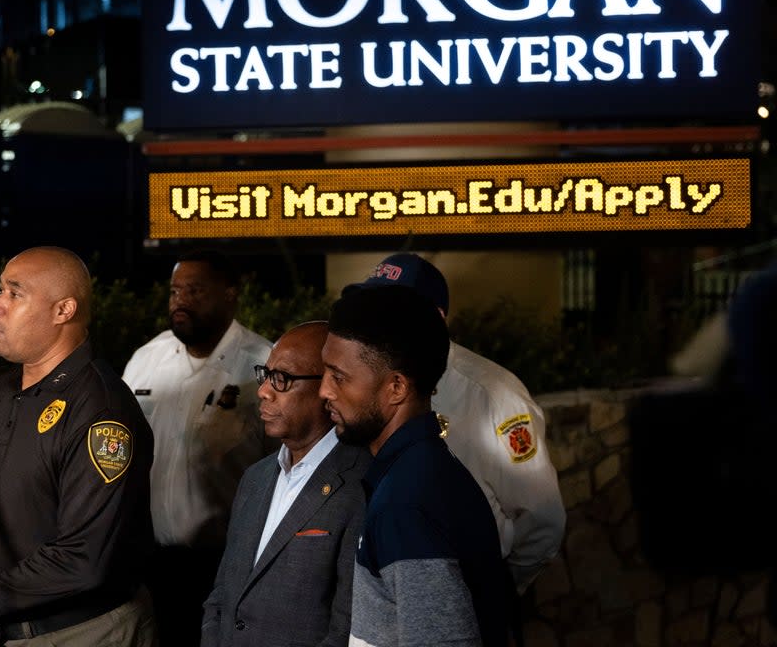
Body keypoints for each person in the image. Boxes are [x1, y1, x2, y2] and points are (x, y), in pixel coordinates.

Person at [0, 245, 157, 646]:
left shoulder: (102, 410)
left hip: (80, 632)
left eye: (14, 293)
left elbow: (83, 558)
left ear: (64, 311)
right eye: (0, 290)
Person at [345, 252, 565, 595]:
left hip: (466, 588)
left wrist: (500, 590)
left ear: (437, 318)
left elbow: (541, 519)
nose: (376, 321)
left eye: (392, 309)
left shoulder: (492, 394)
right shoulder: (363, 380)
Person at [321, 284, 511, 647]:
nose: (324, 391)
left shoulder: (405, 504)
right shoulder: (420, 472)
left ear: (396, 387)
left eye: (339, 377)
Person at [123, 249, 274, 647]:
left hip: (224, 562)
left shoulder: (263, 363)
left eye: (194, 290)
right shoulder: (146, 360)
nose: (181, 300)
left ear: (229, 294)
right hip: (148, 561)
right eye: (175, 291)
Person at [201, 321, 367, 647]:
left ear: (330, 388)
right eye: (267, 374)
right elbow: (222, 594)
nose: (263, 390)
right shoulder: (255, 478)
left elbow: (347, 628)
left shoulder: (361, 486)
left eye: (283, 379)